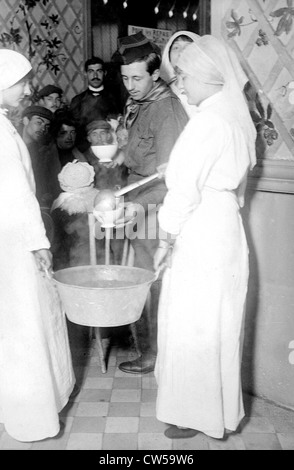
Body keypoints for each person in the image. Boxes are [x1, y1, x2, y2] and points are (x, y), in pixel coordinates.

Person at [153, 35, 256, 440]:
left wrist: (165, 239)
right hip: (225, 224)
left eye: (184, 76)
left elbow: (184, 192)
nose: (180, 84)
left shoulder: (209, 121)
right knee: (217, 319)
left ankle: (192, 414)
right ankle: (215, 411)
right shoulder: (233, 118)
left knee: (192, 320)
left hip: (200, 228)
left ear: (207, 78)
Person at [0, 49, 75, 442]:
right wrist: (38, 242)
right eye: (22, 83)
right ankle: (32, 416)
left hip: (7, 237)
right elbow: (16, 195)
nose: (29, 89)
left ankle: (18, 407)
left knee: (13, 325)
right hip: (13, 239)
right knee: (25, 323)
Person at [112, 32, 188, 374]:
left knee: (149, 280)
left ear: (155, 74)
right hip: (134, 200)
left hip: (153, 208)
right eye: (125, 77)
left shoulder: (166, 109)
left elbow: (170, 178)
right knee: (136, 275)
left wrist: (138, 208)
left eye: (137, 77)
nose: (130, 85)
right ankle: (142, 343)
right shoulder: (140, 102)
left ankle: (153, 353)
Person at [69, 57, 120, 152]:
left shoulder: (116, 99)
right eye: (91, 71)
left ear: (105, 73)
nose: (95, 75)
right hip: (84, 152)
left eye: (99, 71)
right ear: (85, 74)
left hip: (110, 150)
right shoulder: (77, 101)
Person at [21, 105, 61, 210]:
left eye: (47, 126)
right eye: (39, 123)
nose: (43, 129)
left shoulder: (45, 151)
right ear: (25, 120)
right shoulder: (10, 143)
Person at [160, 31, 200, 118]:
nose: (181, 52)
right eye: (176, 47)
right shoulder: (160, 91)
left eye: (188, 47)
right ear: (168, 55)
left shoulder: (205, 91)